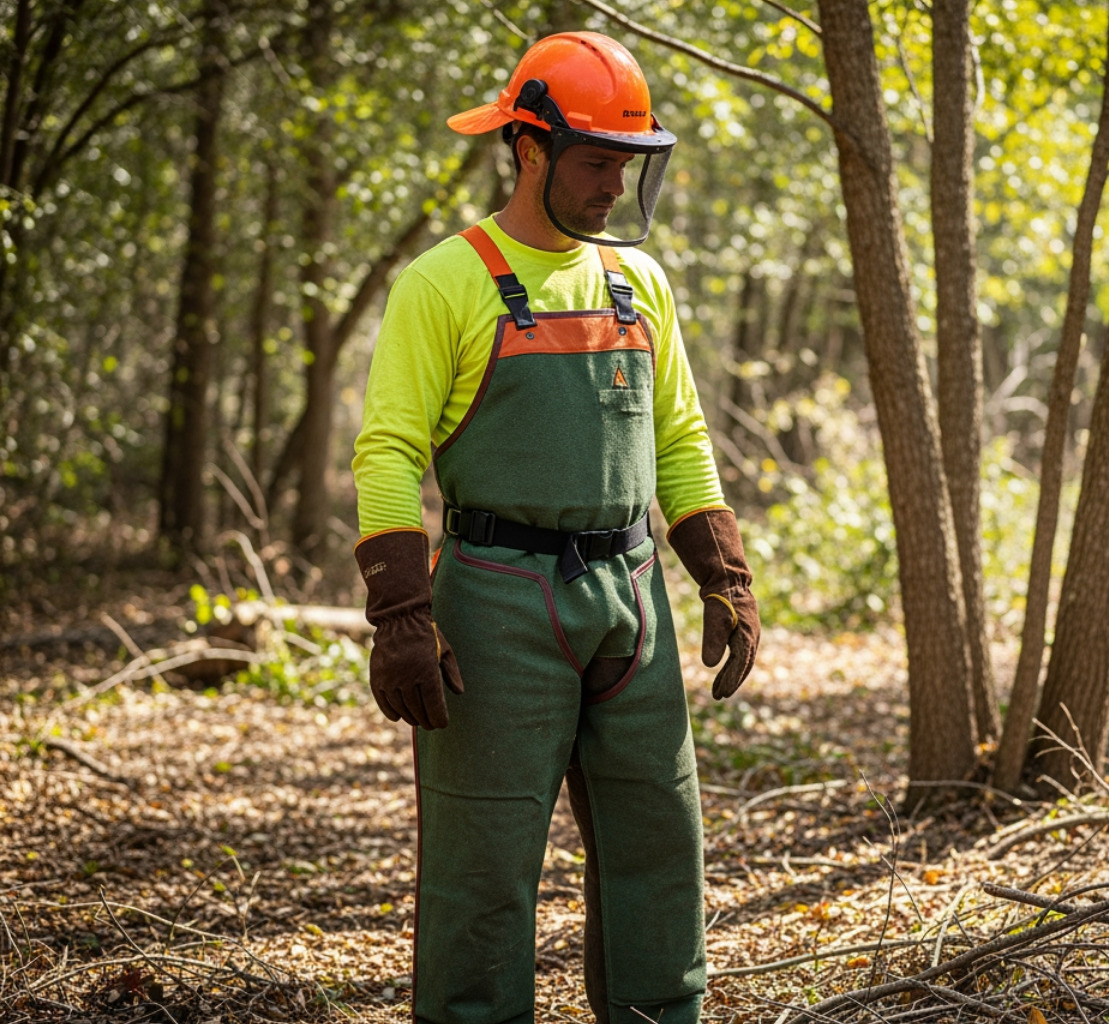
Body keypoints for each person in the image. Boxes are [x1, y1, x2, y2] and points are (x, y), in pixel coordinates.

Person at [349, 31, 759, 1024]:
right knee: (482, 864)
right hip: (494, 601)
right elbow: (389, 450)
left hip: (632, 599)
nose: (616, 183)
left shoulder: (638, 283)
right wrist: (402, 611)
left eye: (630, 161)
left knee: (660, 845)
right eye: (596, 160)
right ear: (529, 146)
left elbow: (681, 434)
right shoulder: (443, 282)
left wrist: (722, 574)